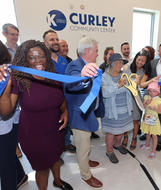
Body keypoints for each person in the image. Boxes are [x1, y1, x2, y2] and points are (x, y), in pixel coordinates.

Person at [0, 40, 73, 190]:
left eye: (41, 56)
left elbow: (60, 98)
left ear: (47, 56)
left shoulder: (53, 75)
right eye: (32, 57)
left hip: (55, 129)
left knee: (56, 158)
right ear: (25, 59)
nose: (38, 61)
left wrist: (65, 111)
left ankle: (58, 181)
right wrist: (6, 85)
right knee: (42, 168)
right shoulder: (20, 80)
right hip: (34, 135)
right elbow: (6, 111)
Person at [64, 37, 103, 189]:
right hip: (79, 116)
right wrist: (82, 77)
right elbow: (71, 82)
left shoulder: (88, 65)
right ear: (87, 51)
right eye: (96, 51)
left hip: (88, 113)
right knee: (83, 146)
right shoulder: (75, 66)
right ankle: (86, 175)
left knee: (85, 145)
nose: (97, 54)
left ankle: (85, 161)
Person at [0, 40, 27, 190]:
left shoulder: (6, 73)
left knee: (5, 164)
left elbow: (6, 110)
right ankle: (21, 175)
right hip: (6, 122)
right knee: (7, 156)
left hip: (7, 122)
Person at [43, 30, 76, 154]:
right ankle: (55, 151)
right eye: (52, 40)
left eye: (56, 39)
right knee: (53, 127)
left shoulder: (64, 60)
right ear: (45, 43)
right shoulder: (42, 62)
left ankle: (66, 144)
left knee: (65, 123)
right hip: (50, 102)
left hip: (66, 98)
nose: (55, 42)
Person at [101, 53, 133, 163]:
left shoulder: (124, 75)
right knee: (111, 132)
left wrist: (134, 84)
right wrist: (118, 86)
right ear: (112, 64)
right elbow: (105, 93)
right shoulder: (104, 76)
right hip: (112, 110)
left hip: (124, 108)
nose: (121, 65)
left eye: (122, 63)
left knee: (122, 130)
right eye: (118, 62)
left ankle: (117, 145)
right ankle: (109, 151)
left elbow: (129, 89)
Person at [122, 50, 151, 150]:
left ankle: (134, 138)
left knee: (135, 120)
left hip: (135, 97)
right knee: (125, 119)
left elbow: (142, 85)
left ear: (145, 62)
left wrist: (139, 82)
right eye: (139, 59)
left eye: (143, 61)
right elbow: (121, 80)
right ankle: (125, 137)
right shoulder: (126, 67)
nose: (140, 62)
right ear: (135, 58)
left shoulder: (144, 72)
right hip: (125, 96)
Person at [2, 23, 22, 158]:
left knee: (20, 118)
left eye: (16, 34)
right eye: (12, 34)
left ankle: (20, 140)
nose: (15, 37)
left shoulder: (22, 51)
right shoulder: (2, 51)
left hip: (23, 88)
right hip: (9, 89)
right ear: (4, 34)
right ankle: (14, 146)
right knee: (10, 115)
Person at [140, 82, 161, 158]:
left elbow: (160, 111)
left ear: (158, 92)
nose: (151, 93)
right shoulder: (146, 97)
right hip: (147, 119)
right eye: (150, 91)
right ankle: (147, 145)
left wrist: (154, 108)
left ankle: (153, 151)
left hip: (154, 121)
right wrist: (146, 103)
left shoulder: (159, 100)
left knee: (154, 136)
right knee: (147, 133)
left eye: (154, 91)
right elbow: (142, 107)